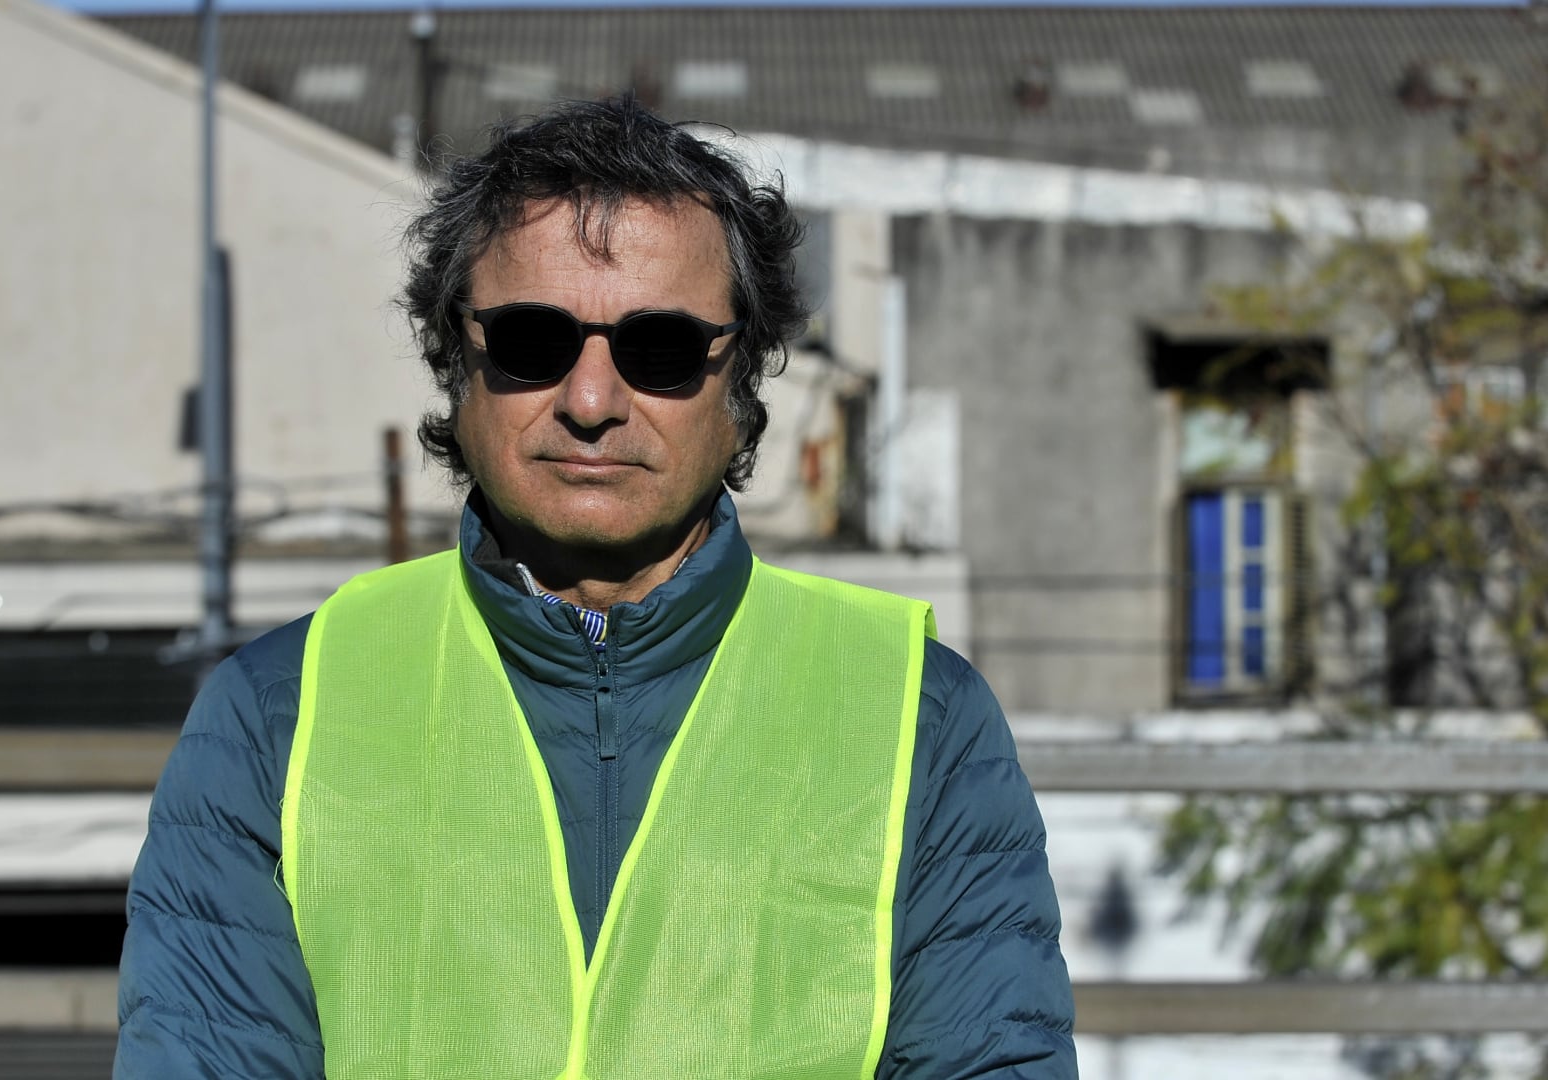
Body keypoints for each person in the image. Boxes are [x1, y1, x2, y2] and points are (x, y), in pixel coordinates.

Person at [115, 96, 1076, 1078]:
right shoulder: (277, 716)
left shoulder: (920, 718)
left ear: (741, 383)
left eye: (660, 349)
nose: (590, 400)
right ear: (457, 360)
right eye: (532, 340)